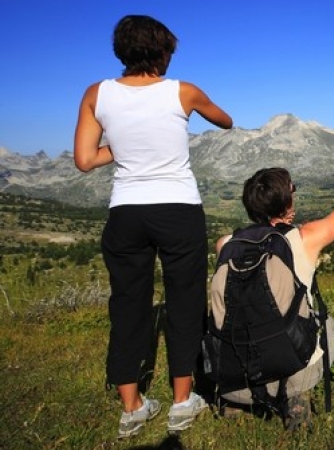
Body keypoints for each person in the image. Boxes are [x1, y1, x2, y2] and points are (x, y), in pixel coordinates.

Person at [73, 14, 233, 438]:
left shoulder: (97, 93)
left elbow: (86, 160)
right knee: (183, 303)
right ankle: (182, 402)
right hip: (178, 209)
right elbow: (226, 120)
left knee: (127, 305)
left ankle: (132, 408)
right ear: (163, 52)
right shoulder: (183, 92)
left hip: (126, 212)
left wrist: (125, 145)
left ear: (121, 52)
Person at [213, 167, 334, 426]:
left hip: (232, 378)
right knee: (324, 323)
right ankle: (294, 399)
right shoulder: (304, 239)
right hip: (293, 374)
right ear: (286, 203)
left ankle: (236, 403)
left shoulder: (225, 245)